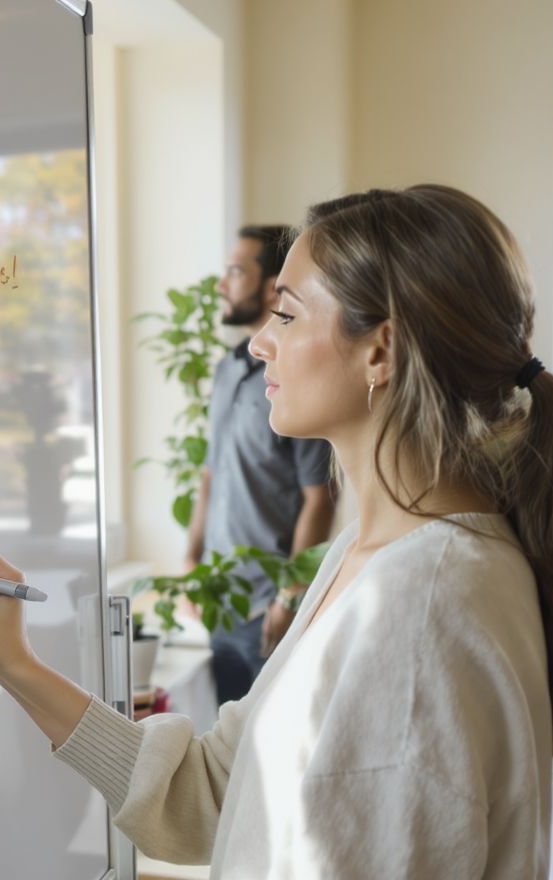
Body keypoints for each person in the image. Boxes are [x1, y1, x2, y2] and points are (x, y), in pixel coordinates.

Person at [0, 185, 553, 877]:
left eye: (287, 316)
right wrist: (13, 665)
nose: (261, 343)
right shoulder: (369, 560)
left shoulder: (420, 608)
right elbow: (211, 792)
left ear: (381, 350)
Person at [185, 224, 336, 703]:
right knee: (227, 758)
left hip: (267, 608)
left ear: (272, 286)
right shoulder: (227, 369)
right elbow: (210, 473)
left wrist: (289, 596)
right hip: (219, 602)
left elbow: (320, 496)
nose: (221, 284)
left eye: (234, 271)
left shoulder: (298, 379)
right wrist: (192, 558)